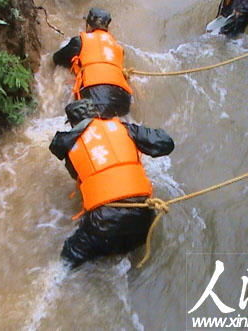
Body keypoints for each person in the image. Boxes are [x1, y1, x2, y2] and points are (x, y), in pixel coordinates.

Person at [49, 99, 175, 268]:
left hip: (103, 224)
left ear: (71, 124)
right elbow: (166, 144)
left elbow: (78, 177)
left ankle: (53, 285)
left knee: (68, 260)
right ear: (97, 115)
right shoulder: (124, 128)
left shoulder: (69, 145)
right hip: (143, 218)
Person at [53, 7, 132, 118]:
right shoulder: (117, 47)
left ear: (88, 25)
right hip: (123, 100)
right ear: (107, 27)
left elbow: (57, 59)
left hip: (95, 96)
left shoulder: (79, 41)